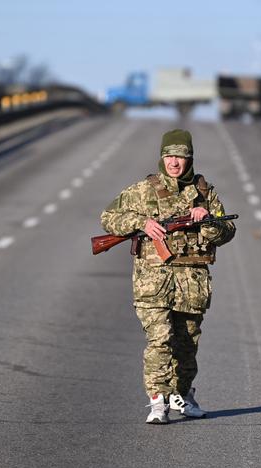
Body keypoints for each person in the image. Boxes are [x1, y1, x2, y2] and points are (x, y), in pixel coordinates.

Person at [100, 129, 236, 424]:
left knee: (187, 343)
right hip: (153, 282)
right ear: (162, 157)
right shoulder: (142, 190)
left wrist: (207, 221)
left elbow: (227, 232)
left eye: (181, 157)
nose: (175, 162)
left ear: (190, 159)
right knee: (160, 340)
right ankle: (157, 400)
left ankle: (182, 395)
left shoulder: (204, 192)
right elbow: (108, 218)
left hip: (192, 282)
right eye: (170, 156)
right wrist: (142, 223)